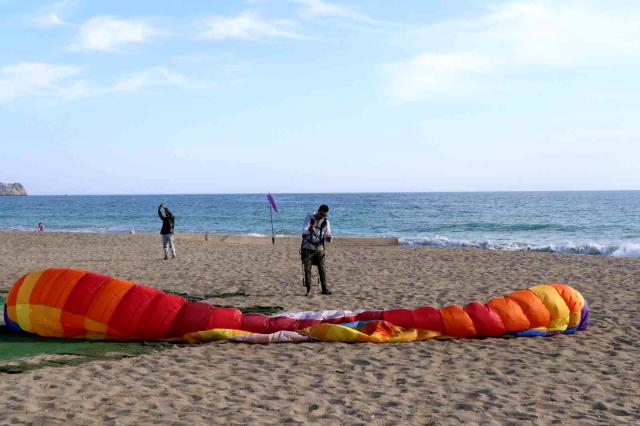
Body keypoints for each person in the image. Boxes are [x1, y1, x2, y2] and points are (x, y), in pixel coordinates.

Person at [301, 204, 333, 296]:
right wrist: (309, 230)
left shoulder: (326, 222)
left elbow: (328, 236)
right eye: (321, 214)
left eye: (324, 215)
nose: (322, 216)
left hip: (320, 248)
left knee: (322, 269)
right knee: (307, 269)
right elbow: (303, 231)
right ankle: (309, 290)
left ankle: (324, 289)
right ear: (318, 210)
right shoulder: (309, 218)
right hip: (307, 248)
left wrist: (329, 239)